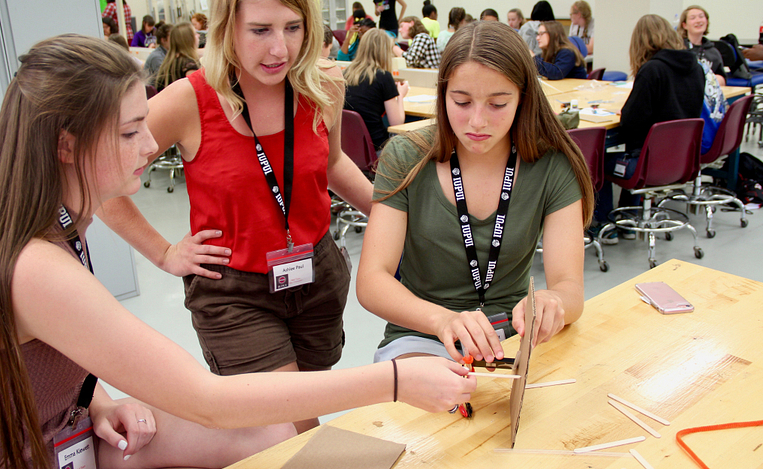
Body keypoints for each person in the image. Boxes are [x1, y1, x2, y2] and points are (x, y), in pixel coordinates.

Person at [0, 33, 476, 469]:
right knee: (273, 433)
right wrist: (395, 381)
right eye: (129, 133)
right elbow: (207, 400)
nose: (150, 146)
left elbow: (64, 352)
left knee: (274, 433)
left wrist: (97, 400)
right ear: (67, 147)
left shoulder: (59, 229)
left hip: (76, 427)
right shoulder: (39, 266)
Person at [97, 0, 400, 436]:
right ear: (226, 30)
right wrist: (164, 253)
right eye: (260, 30)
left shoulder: (321, 87)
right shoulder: (189, 101)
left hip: (315, 276)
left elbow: (334, 163)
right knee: (296, 425)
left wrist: (394, 224)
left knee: (281, 422)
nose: (280, 48)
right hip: (234, 293)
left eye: (294, 27)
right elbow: (102, 181)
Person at [357, 21, 592, 365]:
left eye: (497, 104)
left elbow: (569, 286)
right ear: (443, 95)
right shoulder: (406, 156)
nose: (477, 122)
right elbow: (372, 280)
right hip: (423, 335)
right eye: (462, 102)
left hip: (513, 338)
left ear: (523, 99)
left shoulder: (552, 165)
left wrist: (553, 301)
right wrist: (443, 320)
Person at [594, 14, 705, 241]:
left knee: (597, 161)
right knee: (637, 151)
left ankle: (606, 226)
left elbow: (631, 123)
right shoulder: (696, 68)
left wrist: (625, 112)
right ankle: (628, 223)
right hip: (681, 162)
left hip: (646, 166)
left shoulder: (652, 70)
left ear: (641, 42)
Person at [344, 29, 409, 149]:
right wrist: (400, 95)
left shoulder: (346, 74)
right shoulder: (383, 77)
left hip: (350, 148)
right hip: (376, 147)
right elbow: (397, 123)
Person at [678, 5, 726, 86]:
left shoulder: (713, 52)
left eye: (701, 17)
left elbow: (722, 78)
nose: (698, 21)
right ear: (684, 25)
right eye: (693, 18)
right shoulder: (678, 49)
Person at [154, 22, 201, 92]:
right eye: (195, 34)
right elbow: (199, 92)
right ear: (189, 39)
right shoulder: (189, 66)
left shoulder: (169, 62)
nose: (199, 35)